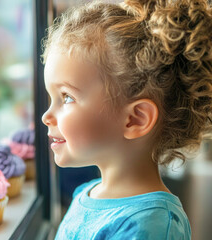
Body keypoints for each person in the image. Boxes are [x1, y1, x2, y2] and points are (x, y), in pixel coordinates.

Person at [41, 0, 212, 239]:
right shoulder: (87, 193)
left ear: (135, 119)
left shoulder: (151, 226)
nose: (46, 116)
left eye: (66, 97)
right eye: (52, 98)